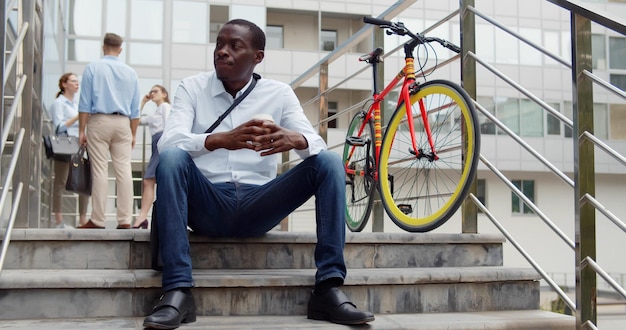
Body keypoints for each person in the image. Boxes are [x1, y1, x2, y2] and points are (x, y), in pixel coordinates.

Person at [142, 19, 374, 329]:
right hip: (207, 202)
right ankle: (177, 291)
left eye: (234, 46)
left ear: (257, 57)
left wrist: (295, 139)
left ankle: (328, 288)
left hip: (260, 204)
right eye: (219, 44)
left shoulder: (278, 93)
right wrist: (220, 140)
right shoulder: (192, 87)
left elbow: (313, 143)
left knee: (329, 162)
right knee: (171, 157)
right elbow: (170, 141)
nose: (222, 52)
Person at [77, 32, 141, 230]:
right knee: (124, 171)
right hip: (123, 123)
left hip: (99, 122)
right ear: (120, 49)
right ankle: (124, 220)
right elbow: (135, 108)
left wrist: (81, 130)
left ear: (103, 47)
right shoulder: (130, 72)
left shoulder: (93, 68)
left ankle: (97, 220)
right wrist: (133, 133)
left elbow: (85, 104)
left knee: (100, 171)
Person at [50, 73, 89, 228]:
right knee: (60, 183)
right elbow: (59, 127)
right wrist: (79, 117)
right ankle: (59, 221)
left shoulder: (76, 104)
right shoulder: (59, 103)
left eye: (77, 81)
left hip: (78, 147)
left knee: (83, 181)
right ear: (64, 84)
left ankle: (83, 220)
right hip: (64, 146)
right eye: (73, 81)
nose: (77, 84)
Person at [133, 85, 171, 229]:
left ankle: (142, 217)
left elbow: (169, 125)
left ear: (164, 94)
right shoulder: (155, 112)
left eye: (155, 91)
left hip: (162, 143)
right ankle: (143, 217)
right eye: (151, 91)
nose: (152, 93)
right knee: (152, 180)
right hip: (156, 144)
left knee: (149, 180)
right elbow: (137, 119)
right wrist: (143, 102)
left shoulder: (165, 106)